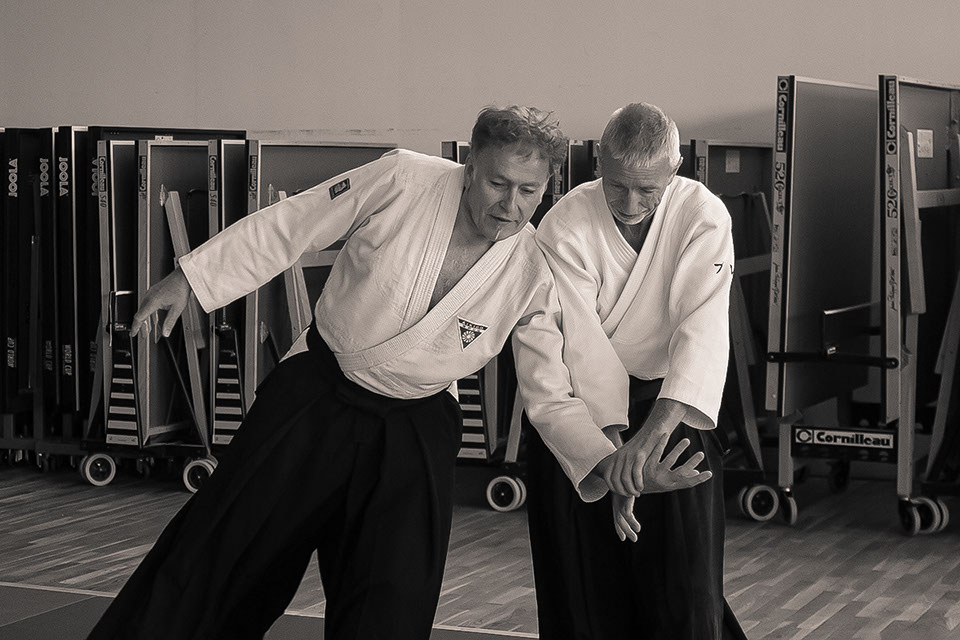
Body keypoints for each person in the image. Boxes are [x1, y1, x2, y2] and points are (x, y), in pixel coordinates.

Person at [87, 105, 710, 640]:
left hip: (414, 430)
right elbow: (295, 224)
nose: (510, 205)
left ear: (547, 188)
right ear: (470, 164)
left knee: (392, 601)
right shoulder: (403, 178)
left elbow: (550, 394)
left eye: (529, 191)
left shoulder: (533, 274)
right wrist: (192, 279)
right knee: (221, 554)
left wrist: (609, 462)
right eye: (498, 182)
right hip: (317, 394)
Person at [527, 102, 748, 640]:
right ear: (597, 166)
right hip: (582, 410)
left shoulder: (702, 214)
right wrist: (614, 461)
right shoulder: (565, 224)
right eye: (617, 186)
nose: (630, 203)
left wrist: (646, 446)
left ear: (675, 170)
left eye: (647, 189)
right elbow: (582, 348)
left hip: (672, 407)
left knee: (685, 585)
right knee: (580, 588)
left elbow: (701, 333)